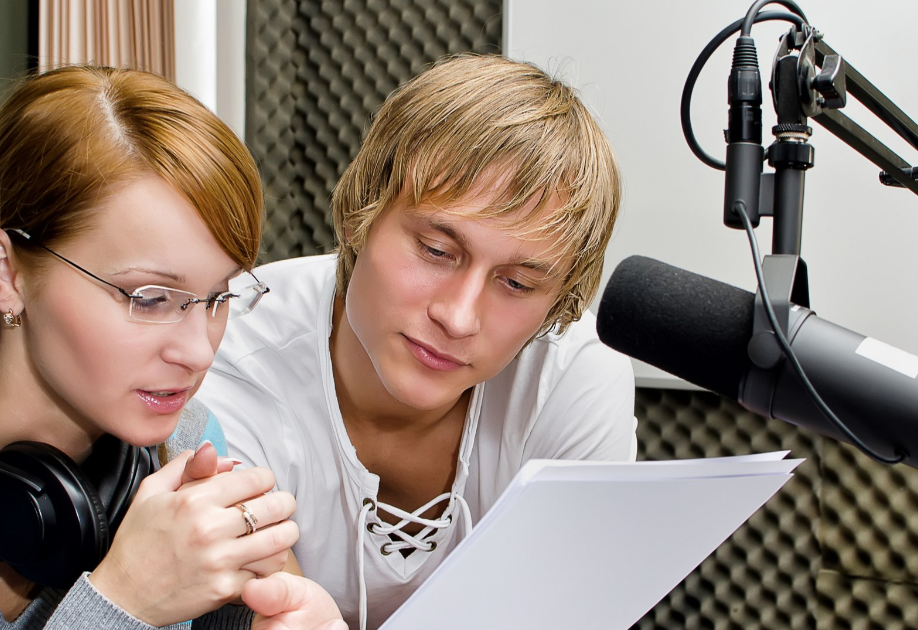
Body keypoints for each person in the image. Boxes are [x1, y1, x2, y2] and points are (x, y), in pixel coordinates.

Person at [0, 66, 344, 630]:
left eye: (219, 297)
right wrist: (125, 602)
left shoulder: (186, 449)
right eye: (149, 297)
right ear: (7, 274)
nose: (198, 352)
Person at [198, 54, 636, 629]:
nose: (458, 317)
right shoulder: (224, 350)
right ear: (361, 214)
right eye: (435, 250)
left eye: (518, 284)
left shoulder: (572, 374)